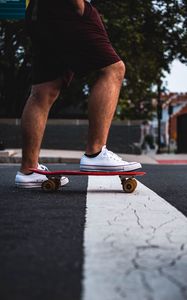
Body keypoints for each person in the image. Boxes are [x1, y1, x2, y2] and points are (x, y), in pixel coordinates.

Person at [15, 0, 141, 188]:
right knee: (113, 69)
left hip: (38, 12)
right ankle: (95, 153)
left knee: (43, 91)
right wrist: (79, 5)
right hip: (65, 8)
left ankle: (28, 169)